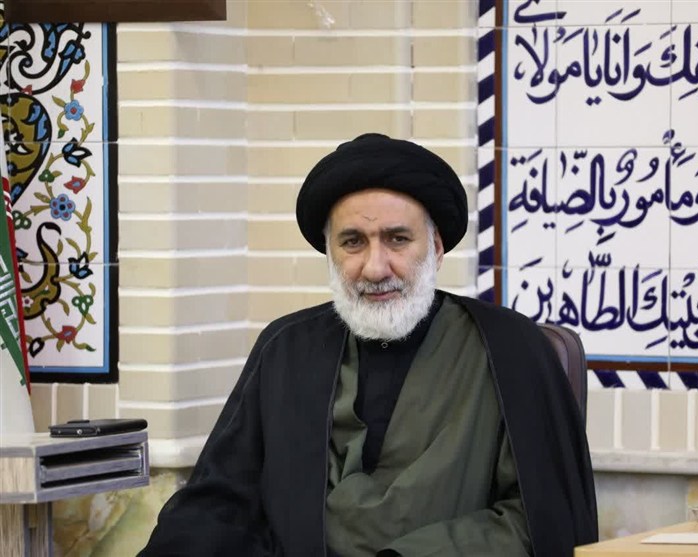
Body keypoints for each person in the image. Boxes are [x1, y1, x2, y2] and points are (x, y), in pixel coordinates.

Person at [139, 134, 597, 557]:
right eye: (353, 242)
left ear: (436, 247)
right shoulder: (286, 350)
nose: (376, 268)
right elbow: (221, 501)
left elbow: (538, 522)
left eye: (398, 239)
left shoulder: (510, 351)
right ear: (331, 252)